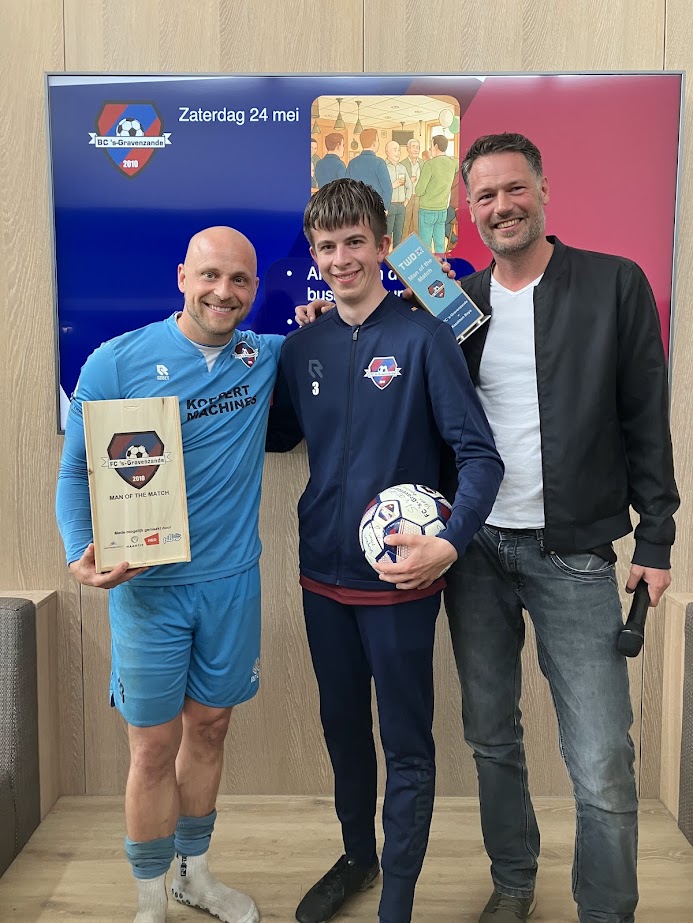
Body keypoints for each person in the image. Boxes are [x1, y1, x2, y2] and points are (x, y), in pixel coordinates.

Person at [294, 132, 679, 923]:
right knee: (490, 735)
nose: (501, 206)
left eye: (513, 189)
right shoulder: (450, 303)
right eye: (485, 196)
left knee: (600, 755)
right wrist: (329, 322)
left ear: (543, 190)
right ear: (468, 210)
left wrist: (656, 533)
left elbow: (645, 413)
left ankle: (606, 910)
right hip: (469, 551)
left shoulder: (612, 284)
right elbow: (379, 347)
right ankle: (512, 882)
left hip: (572, 550)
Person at [267, 178, 504, 923]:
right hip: (320, 577)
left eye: (354, 243)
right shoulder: (302, 346)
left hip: (401, 580)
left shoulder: (425, 337)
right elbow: (275, 435)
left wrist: (448, 543)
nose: (341, 259)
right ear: (314, 255)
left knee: (405, 742)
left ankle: (396, 899)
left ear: (381, 245)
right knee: (343, 730)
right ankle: (356, 858)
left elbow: (479, 455)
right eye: (326, 247)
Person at [56, 226, 283, 923]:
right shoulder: (115, 361)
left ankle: (195, 876)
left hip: (232, 585)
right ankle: (150, 902)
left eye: (239, 280)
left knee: (209, 729)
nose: (223, 292)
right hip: (148, 591)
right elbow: (75, 470)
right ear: (182, 276)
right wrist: (79, 549)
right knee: (152, 747)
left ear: (254, 289)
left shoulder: (265, 356)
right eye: (210, 275)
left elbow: (348, 335)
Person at [416, 134, 455, 254]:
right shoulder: (451, 163)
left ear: (436, 146)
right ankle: (441, 264)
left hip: (427, 209)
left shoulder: (429, 164)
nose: (430, 148)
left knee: (425, 244)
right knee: (439, 244)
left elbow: (419, 190)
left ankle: (427, 265)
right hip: (442, 209)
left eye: (431, 145)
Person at [346, 127, 392, 209]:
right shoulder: (379, 162)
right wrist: (385, 208)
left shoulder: (352, 163)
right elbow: (387, 189)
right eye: (378, 140)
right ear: (374, 143)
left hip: (356, 208)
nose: (378, 143)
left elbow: (346, 187)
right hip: (375, 208)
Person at [383, 140, 412, 249]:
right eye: (395, 150)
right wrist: (392, 185)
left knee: (398, 236)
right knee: (387, 235)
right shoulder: (383, 168)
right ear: (387, 152)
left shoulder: (402, 168)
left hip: (401, 206)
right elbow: (381, 188)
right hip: (389, 206)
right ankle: (384, 257)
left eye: (399, 150)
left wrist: (406, 201)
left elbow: (409, 186)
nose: (398, 153)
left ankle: (396, 258)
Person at [401, 138, 423, 239]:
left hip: (419, 197)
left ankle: (417, 245)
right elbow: (399, 183)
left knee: (418, 224)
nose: (416, 150)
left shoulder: (423, 163)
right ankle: (403, 245)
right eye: (413, 147)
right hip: (407, 198)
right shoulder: (402, 164)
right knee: (405, 224)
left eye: (418, 147)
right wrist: (409, 180)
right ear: (408, 149)